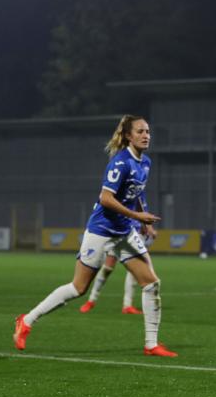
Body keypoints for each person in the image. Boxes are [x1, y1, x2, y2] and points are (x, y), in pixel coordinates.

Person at [14, 115, 177, 357]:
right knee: (78, 288)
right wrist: (137, 215)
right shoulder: (120, 163)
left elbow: (137, 193)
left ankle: (151, 344)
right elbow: (106, 198)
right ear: (129, 136)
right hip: (100, 231)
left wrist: (142, 219)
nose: (146, 135)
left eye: (148, 131)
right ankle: (26, 320)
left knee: (151, 283)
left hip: (124, 232)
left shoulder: (145, 163)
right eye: (141, 131)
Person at [79, 203, 156, 314]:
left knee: (134, 270)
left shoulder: (139, 190)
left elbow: (143, 210)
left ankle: (127, 305)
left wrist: (148, 227)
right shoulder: (119, 189)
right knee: (107, 268)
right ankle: (91, 300)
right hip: (118, 230)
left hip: (135, 233)